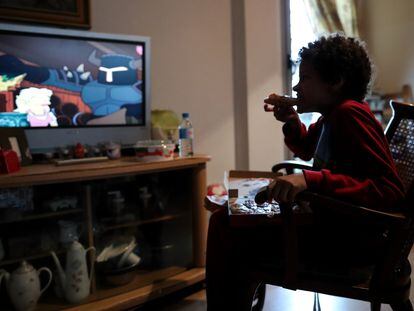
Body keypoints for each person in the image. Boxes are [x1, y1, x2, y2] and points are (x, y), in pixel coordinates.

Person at [205, 34, 404, 310]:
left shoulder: (350, 115)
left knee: (224, 226)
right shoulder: (332, 115)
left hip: (347, 244)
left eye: (306, 78)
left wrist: (311, 179)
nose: (297, 87)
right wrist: (291, 121)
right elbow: (309, 148)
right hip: (334, 227)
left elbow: (389, 190)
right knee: (232, 222)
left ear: (336, 81)